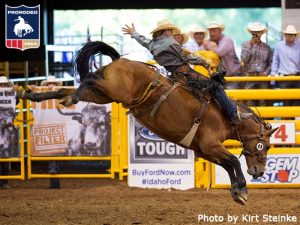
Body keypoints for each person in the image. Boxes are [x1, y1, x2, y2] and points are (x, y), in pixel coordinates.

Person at [122, 19, 252, 124]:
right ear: (166, 30)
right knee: (216, 87)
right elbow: (186, 57)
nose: (172, 33)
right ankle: (233, 115)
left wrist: (134, 33)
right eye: (171, 30)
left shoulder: (152, 44)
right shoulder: (170, 43)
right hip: (187, 74)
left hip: (173, 75)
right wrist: (204, 61)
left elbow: (142, 40)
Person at [203, 21, 242, 89]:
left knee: (231, 95)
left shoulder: (227, 40)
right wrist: (207, 45)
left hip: (234, 75)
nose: (212, 33)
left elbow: (219, 52)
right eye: (210, 31)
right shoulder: (209, 41)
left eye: (214, 31)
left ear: (220, 31)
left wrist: (207, 45)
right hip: (221, 77)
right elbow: (200, 51)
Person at [241, 22, 273, 105]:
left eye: (258, 32)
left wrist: (265, 73)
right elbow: (244, 59)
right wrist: (250, 46)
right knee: (249, 101)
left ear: (261, 33)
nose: (256, 34)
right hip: (249, 76)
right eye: (254, 32)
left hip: (262, 78)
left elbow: (271, 63)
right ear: (251, 33)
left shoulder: (267, 47)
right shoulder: (245, 45)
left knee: (263, 101)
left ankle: (262, 118)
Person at [41, 76, 63, 189]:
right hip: (49, 126)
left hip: (57, 126)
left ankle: (54, 178)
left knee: (54, 152)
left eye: (53, 83)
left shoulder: (60, 94)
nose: (51, 85)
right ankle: (54, 181)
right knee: (53, 152)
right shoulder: (43, 95)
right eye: (49, 83)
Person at [271, 25, 300, 106]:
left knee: (297, 101)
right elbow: (275, 61)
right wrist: (273, 75)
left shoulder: (299, 45)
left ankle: (296, 118)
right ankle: (286, 118)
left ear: (295, 36)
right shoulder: (279, 45)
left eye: (291, 34)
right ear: (284, 35)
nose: (289, 36)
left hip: (297, 77)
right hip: (283, 77)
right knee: (285, 101)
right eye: (287, 34)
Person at [0, 76, 15, 189]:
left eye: (4, 85)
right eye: (1, 85)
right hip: (4, 127)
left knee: (5, 156)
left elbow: (18, 100)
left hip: (6, 129)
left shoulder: (11, 95)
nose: (2, 86)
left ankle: (4, 182)